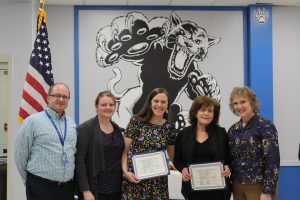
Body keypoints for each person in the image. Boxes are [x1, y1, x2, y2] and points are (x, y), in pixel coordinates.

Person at [14, 82, 77, 200]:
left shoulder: (72, 124)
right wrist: (30, 182)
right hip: (40, 188)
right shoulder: (32, 122)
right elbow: (20, 156)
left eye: (65, 97)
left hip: (67, 189)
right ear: (48, 98)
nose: (61, 99)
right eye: (57, 95)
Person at [121, 88, 177, 199]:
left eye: (163, 102)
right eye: (156, 101)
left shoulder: (169, 128)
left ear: (167, 106)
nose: (159, 105)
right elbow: (124, 152)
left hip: (158, 184)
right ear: (150, 103)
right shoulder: (136, 121)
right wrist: (125, 172)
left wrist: (174, 172)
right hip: (135, 180)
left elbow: (170, 159)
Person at [173, 95, 231, 200]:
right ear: (195, 113)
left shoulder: (221, 133)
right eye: (202, 110)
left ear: (214, 115)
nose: (206, 113)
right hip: (192, 189)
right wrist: (183, 169)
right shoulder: (183, 134)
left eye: (210, 111)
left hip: (218, 191)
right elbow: (177, 159)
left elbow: (229, 157)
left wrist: (227, 166)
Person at [228, 86, 280, 200]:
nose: (239, 106)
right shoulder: (233, 130)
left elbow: (273, 161)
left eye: (243, 102)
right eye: (235, 103)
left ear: (252, 102)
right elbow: (231, 158)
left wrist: (267, 191)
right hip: (237, 186)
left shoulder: (265, 126)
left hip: (259, 186)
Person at [75, 91, 125, 200]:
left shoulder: (116, 128)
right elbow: (79, 161)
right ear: (96, 106)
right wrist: (86, 191)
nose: (108, 107)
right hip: (96, 190)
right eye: (103, 105)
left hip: (117, 188)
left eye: (111, 105)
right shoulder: (86, 128)